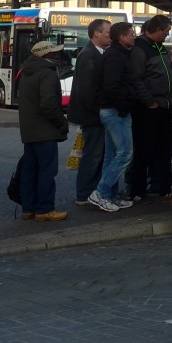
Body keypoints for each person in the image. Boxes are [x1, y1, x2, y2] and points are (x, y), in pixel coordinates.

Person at [16, 40, 70, 221]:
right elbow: (48, 104)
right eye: (54, 52)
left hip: (29, 130)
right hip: (45, 130)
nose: (57, 55)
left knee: (29, 171)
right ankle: (45, 209)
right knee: (47, 171)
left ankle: (28, 209)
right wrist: (62, 122)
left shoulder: (26, 71)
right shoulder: (47, 73)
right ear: (48, 55)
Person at [90, 22, 138, 213]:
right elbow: (112, 86)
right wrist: (124, 106)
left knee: (112, 155)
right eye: (131, 34)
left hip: (113, 110)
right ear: (122, 38)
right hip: (115, 112)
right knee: (126, 153)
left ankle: (108, 196)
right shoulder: (115, 57)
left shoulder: (115, 54)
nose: (134, 36)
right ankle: (101, 193)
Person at [129, 15, 172, 200]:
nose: (167, 34)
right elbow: (137, 79)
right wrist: (149, 102)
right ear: (158, 30)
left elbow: (170, 61)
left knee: (164, 147)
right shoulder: (140, 49)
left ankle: (162, 186)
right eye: (166, 31)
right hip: (149, 108)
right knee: (144, 149)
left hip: (163, 106)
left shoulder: (156, 46)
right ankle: (138, 190)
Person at [67, 18, 111, 206]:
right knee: (92, 155)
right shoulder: (89, 55)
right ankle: (84, 194)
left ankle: (92, 191)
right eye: (108, 33)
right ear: (96, 34)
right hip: (92, 116)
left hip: (94, 115)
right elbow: (86, 91)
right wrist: (99, 110)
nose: (111, 37)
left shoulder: (97, 53)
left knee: (97, 155)